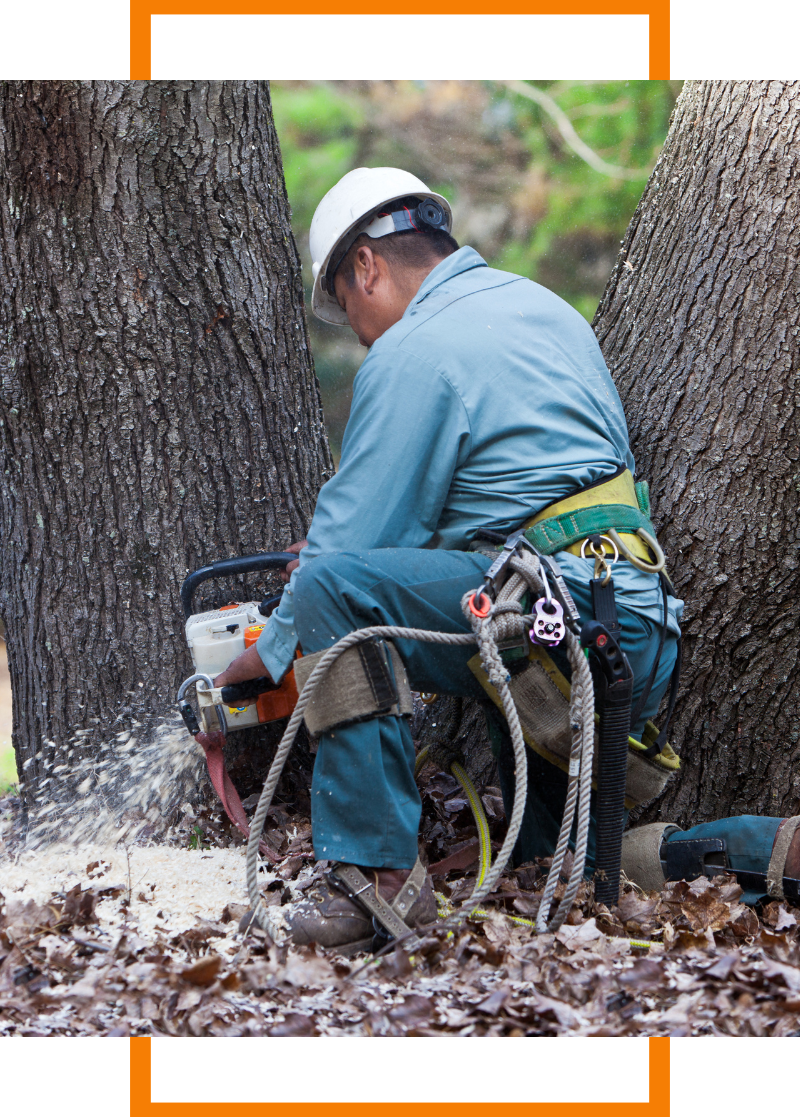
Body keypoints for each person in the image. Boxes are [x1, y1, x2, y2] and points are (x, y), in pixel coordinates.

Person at [209, 167, 799, 951]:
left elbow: (342, 560)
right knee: (568, 872)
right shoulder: (546, 309)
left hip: (546, 627)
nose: (358, 332)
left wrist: (261, 654)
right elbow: (509, 497)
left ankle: (373, 880)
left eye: (349, 308)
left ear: (366, 266)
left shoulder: (412, 348)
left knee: (331, 588)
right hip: (625, 626)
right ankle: (776, 849)